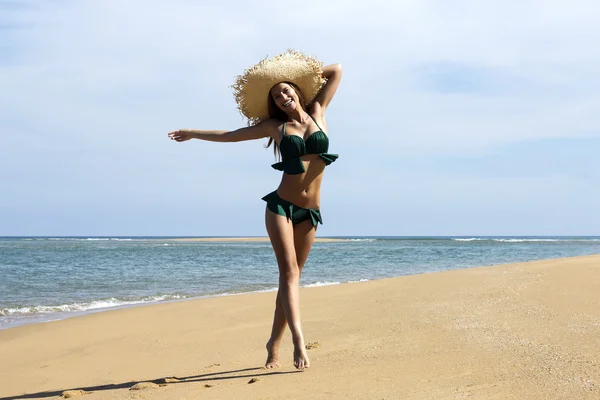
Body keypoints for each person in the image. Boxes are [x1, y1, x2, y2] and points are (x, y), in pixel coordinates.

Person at [168, 51, 342, 370]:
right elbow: (231, 136)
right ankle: (298, 342)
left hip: (310, 213)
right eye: (276, 95)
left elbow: (336, 71)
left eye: (286, 89)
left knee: (292, 279)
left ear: (297, 91)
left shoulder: (319, 110)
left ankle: (272, 341)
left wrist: (301, 71)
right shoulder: (275, 127)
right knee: (288, 274)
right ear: (274, 104)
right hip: (280, 207)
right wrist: (193, 133)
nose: (283, 96)